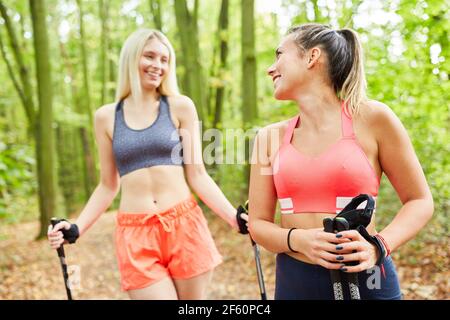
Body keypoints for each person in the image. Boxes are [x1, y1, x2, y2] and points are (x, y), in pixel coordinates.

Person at [47, 29, 247, 300]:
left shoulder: (180, 107)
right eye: (150, 56)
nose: (158, 65)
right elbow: (107, 185)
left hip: (184, 226)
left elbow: (197, 174)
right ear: (131, 59)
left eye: (165, 60)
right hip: (135, 234)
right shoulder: (106, 117)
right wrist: (76, 227)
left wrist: (233, 218)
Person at [248, 23, 434, 300]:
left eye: (279, 54)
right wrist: (299, 239)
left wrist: (378, 245)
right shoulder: (268, 138)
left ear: (312, 57)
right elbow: (258, 223)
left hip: (368, 283)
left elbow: (420, 200)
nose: (270, 68)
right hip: (295, 283)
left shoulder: (373, 119)